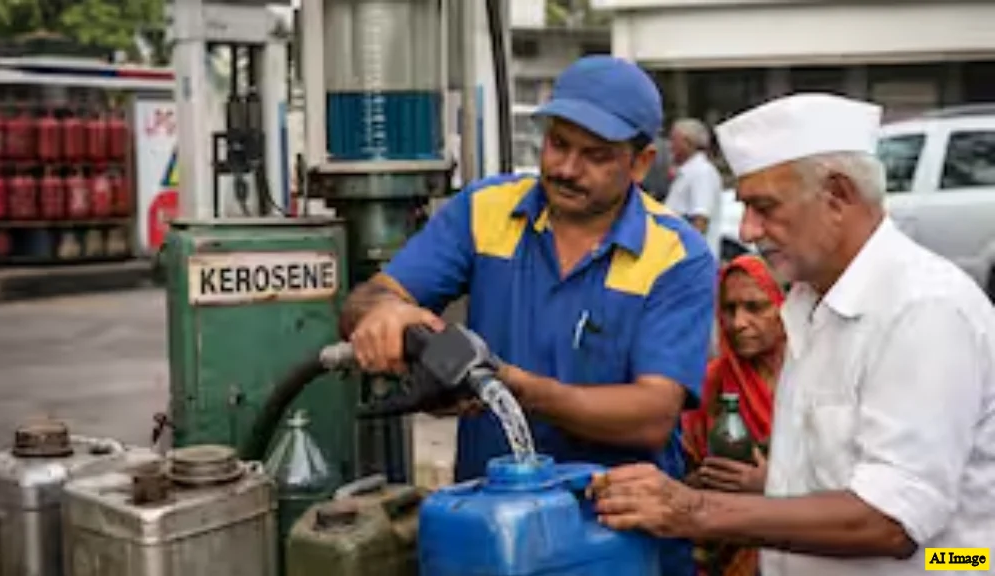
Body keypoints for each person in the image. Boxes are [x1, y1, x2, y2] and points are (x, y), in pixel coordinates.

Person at [340, 55, 717, 576]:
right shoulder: (485, 211)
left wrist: (515, 387)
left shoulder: (677, 256)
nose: (565, 168)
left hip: (616, 540)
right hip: (493, 536)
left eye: (594, 155)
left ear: (639, 162)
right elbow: (374, 295)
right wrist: (384, 314)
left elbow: (653, 414)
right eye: (558, 144)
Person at [589, 93, 995, 575]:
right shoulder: (808, 301)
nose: (748, 229)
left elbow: (892, 520)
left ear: (838, 196)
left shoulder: (924, 309)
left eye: (764, 207)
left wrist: (695, 511)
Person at [681, 254, 787, 576]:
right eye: (729, 309)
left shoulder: (814, 378)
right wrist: (706, 483)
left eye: (755, 307)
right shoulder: (709, 383)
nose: (738, 322)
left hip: (800, 541)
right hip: (721, 547)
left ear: (784, 306)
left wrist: (770, 485)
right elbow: (681, 478)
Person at [664, 118, 724, 259]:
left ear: (688, 143)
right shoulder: (688, 172)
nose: (670, 146)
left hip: (691, 263)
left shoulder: (702, 172)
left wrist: (687, 258)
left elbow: (700, 220)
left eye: (674, 140)